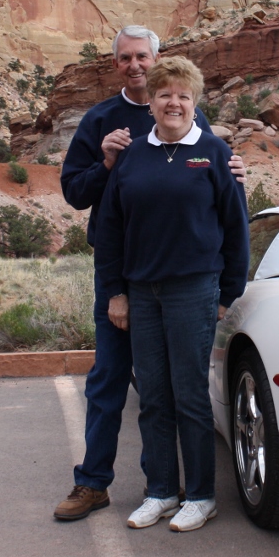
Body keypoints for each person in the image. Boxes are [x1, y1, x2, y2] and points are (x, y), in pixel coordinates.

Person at [54, 26, 244, 521]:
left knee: (184, 390)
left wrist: (227, 290)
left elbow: (226, 208)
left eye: (143, 57)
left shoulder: (198, 128)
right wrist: (106, 162)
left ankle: (196, 493)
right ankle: (101, 484)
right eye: (125, 58)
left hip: (188, 283)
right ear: (115, 64)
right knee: (119, 381)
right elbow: (81, 196)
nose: (134, 65)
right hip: (128, 278)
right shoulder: (102, 122)